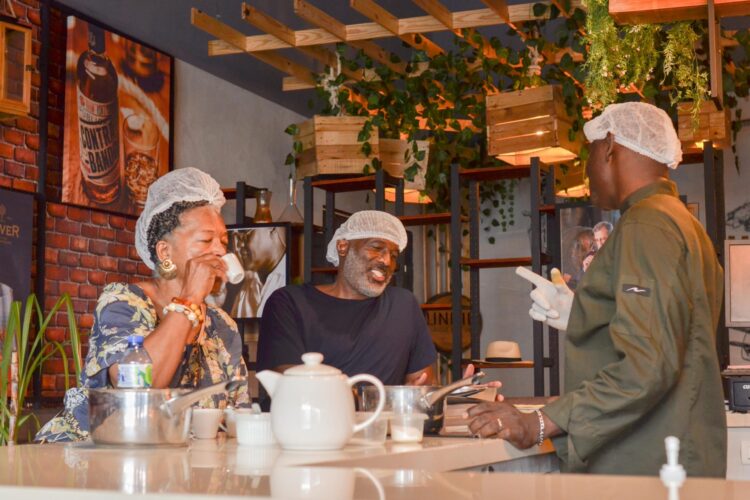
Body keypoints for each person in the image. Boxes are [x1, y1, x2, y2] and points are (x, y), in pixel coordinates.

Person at [467, 102, 726, 477]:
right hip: (676, 456)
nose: (586, 170)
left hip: (644, 464)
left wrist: (538, 423)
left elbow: (646, 367)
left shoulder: (646, 225)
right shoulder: (684, 224)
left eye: (587, 156)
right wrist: (586, 317)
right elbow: (669, 338)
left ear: (609, 146)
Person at [36, 167, 249, 442]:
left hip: (171, 471)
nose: (221, 250)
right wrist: (190, 298)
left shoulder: (222, 326)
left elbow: (238, 418)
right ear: (165, 252)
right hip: (90, 460)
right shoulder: (123, 302)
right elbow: (137, 389)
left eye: (223, 241)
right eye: (206, 240)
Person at [257, 210, 438, 386]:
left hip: (384, 417)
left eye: (394, 255)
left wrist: (459, 391)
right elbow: (290, 387)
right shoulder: (290, 303)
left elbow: (422, 384)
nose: (387, 261)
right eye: (376, 248)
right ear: (343, 247)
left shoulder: (403, 306)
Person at [230, 226, 287, 318]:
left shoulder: (293, 283)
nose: (237, 247)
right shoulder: (244, 293)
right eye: (236, 238)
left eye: (244, 235)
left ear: (272, 229)